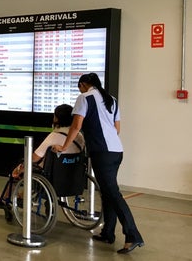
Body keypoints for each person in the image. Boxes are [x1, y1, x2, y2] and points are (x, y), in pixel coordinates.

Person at [53, 73, 144, 254]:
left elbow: (76, 125)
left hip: (102, 152)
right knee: (108, 192)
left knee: (113, 193)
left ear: (83, 84)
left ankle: (132, 235)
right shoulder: (112, 100)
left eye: (79, 87)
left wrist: (64, 146)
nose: (79, 90)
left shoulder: (84, 97)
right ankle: (108, 232)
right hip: (116, 151)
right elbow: (117, 129)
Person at [0, 104, 85, 203]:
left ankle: (5, 197)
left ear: (57, 119)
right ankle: (22, 196)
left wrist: (22, 164)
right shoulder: (79, 136)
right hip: (73, 176)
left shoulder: (55, 136)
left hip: (52, 176)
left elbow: (34, 158)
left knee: (18, 170)